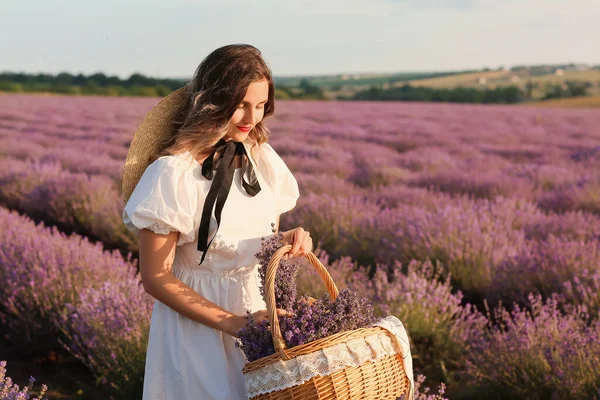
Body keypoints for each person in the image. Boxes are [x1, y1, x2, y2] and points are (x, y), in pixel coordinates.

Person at [121, 44, 313, 400]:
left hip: (259, 319)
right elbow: (155, 277)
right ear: (213, 101)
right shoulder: (173, 173)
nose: (251, 117)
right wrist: (234, 324)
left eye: (260, 106)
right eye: (240, 104)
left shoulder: (262, 161)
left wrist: (291, 237)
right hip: (198, 328)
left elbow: (257, 239)